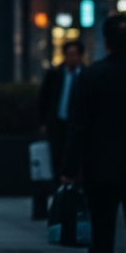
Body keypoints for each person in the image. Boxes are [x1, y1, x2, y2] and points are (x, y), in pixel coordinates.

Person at [62, 14, 126, 253]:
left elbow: (78, 126)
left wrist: (68, 168)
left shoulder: (91, 76)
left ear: (106, 42)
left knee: (101, 241)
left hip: (101, 170)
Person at [39, 40, 84, 178]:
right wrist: (44, 122)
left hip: (76, 124)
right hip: (57, 122)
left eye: (74, 54)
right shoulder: (54, 74)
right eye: (68, 54)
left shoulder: (86, 75)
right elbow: (44, 99)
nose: (71, 58)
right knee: (56, 155)